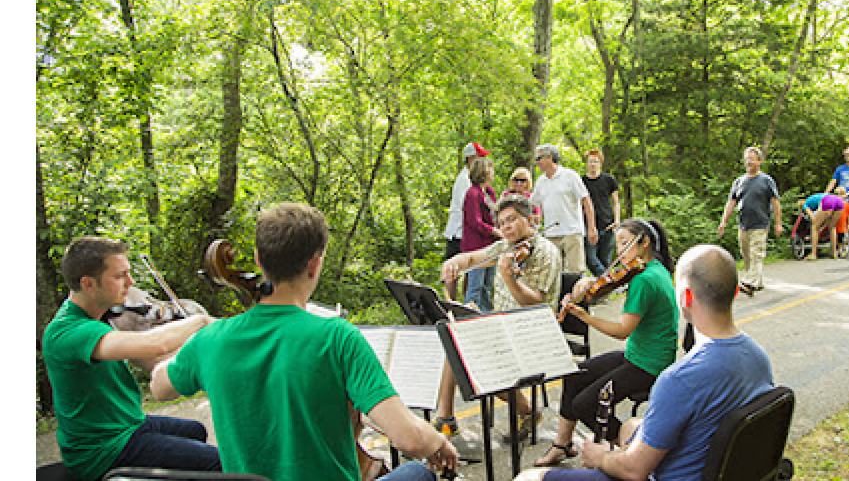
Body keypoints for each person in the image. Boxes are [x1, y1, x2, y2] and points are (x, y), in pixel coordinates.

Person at [151, 203, 457, 480]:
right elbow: (410, 440)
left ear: (259, 260)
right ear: (315, 264)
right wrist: (438, 442)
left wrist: (203, 329)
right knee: (418, 473)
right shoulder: (337, 338)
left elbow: (159, 386)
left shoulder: (210, 340)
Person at [516, 244, 775, 481]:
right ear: (736, 290)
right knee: (630, 426)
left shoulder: (678, 380)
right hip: (715, 467)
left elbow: (633, 470)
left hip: (657, 475)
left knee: (527, 478)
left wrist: (601, 456)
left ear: (684, 298)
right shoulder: (758, 357)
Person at [42, 236, 220, 480]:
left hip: (127, 423)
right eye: (119, 276)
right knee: (219, 464)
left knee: (195, 430)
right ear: (88, 284)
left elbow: (152, 361)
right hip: (104, 449)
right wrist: (201, 321)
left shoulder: (99, 319)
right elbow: (155, 343)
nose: (131, 282)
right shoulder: (68, 332)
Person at [533, 219, 679, 467]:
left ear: (643, 242)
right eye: (618, 243)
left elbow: (622, 330)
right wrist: (587, 285)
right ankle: (562, 444)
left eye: (625, 243)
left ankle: (631, 451)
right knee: (575, 375)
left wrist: (585, 316)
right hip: (641, 354)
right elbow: (611, 286)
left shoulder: (644, 280)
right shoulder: (655, 269)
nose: (619, 250)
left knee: (585, 405)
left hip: (649, 364)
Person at [435, 194, 562, 438]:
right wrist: (455, 263)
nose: (506, 227)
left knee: (475, 363)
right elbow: (472, 258)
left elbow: (532, 300)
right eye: (502, 223)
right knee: (455, 342)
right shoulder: (505, 247)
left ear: (530, 219)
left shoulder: (546, 251)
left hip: (534, 331)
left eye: (512, 220)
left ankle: (525, 409)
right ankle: (446, 418)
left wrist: (508, 278)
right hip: (502, 327)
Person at [716, 146, 784, 290]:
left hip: (760, 223)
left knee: (756, 254)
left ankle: (751, 282)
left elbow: (775, 202)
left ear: (759, 161)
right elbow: (731, 202)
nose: (749, 162)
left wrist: (778, 223)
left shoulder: (766, 180)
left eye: (752, 159)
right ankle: (756, 282)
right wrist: (723, 221)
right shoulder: (739, 181)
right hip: (743, 224)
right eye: (747, 159)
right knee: (746, 255)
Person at [531, 144, 599, 274]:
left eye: (539, 158)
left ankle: (579, 294)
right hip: (551, 234)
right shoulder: (541, 181)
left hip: (572, 232)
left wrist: (591, 227)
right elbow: (532, 203)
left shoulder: (570, 176)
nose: (536, 162)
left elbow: (586, 201)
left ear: (549, 158)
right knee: (554, 273)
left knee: (576, 272)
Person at [442, 141, 490, 299]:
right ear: (470, 158)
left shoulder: (475, 183)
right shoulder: (465, 181)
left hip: (468, 232)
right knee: (453, 271)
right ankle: (449, 303)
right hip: (458, 232)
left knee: (470, 272)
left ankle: (464, 303)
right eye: (479, 157)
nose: (482, 160)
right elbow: (470, 212)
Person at [461, 157, 502, 314]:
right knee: (475, 285)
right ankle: (468, 315)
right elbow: (474, 221)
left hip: (490, 245)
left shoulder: (489, 192)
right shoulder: (473, 193)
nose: (493, 172)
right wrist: (494, 231)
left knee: (487, 285)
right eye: (490, 169)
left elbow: (495, 214)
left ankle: (484, 314)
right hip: (476, 246)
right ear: (483, 172)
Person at [582, 149, 621, 277]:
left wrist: (617, 221)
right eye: (590, 161)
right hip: (589, 226)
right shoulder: (581, 181)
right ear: (586, 163)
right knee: (591, 260)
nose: (592, 164)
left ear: (600, 163)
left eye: (595, 161)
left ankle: (604, 289)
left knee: (605, 261)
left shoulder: (609, 180)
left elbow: (615, 202)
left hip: (607, 225)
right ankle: (611, 281)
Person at [800, 188, 848, 261]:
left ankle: (813, 254)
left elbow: (813, 218)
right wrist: (822, 226)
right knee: (832, 227)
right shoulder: (813, 199)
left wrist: (814, 230)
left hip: (827, 200)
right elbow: (827, 218)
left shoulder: (805, 205)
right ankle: (834, 253)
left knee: (814, 227)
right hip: (839, 201)